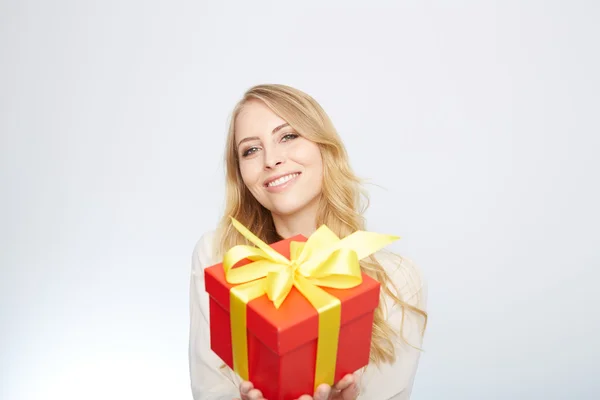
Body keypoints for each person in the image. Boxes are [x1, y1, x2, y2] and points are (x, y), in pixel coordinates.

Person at [189, 84, 428, 400]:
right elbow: (210, 390)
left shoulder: (398, 281)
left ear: (324, 146)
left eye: (288, 136)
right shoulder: (221, 259)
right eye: (250, 150)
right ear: (240, 174)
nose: (271, 160)